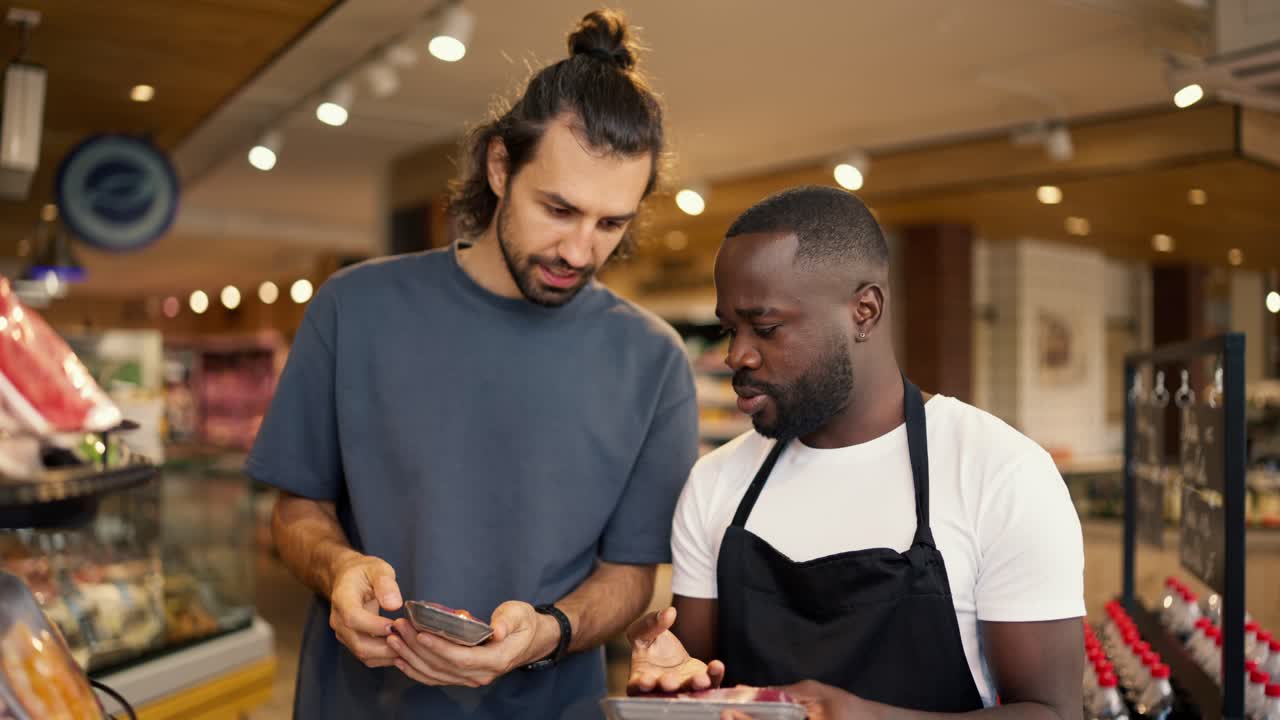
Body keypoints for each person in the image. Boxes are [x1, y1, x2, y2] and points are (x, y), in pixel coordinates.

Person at [247, 10, 699, 719]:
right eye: (559, 209)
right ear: (499, 167)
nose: (580, 250)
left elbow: (631, 573)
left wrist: (549, 632)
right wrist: (339, 567)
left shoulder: (654, 361)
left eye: (611, 223)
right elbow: (297, 510)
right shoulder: (354, 308)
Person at [626, 186, 1086, 718]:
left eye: (766, 328)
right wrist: (673, 695)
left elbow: (1050, 712)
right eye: (730, 329)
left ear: (864, 311)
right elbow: (699, 683)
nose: (737, 355)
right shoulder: (715, 483)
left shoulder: (1000, 473)